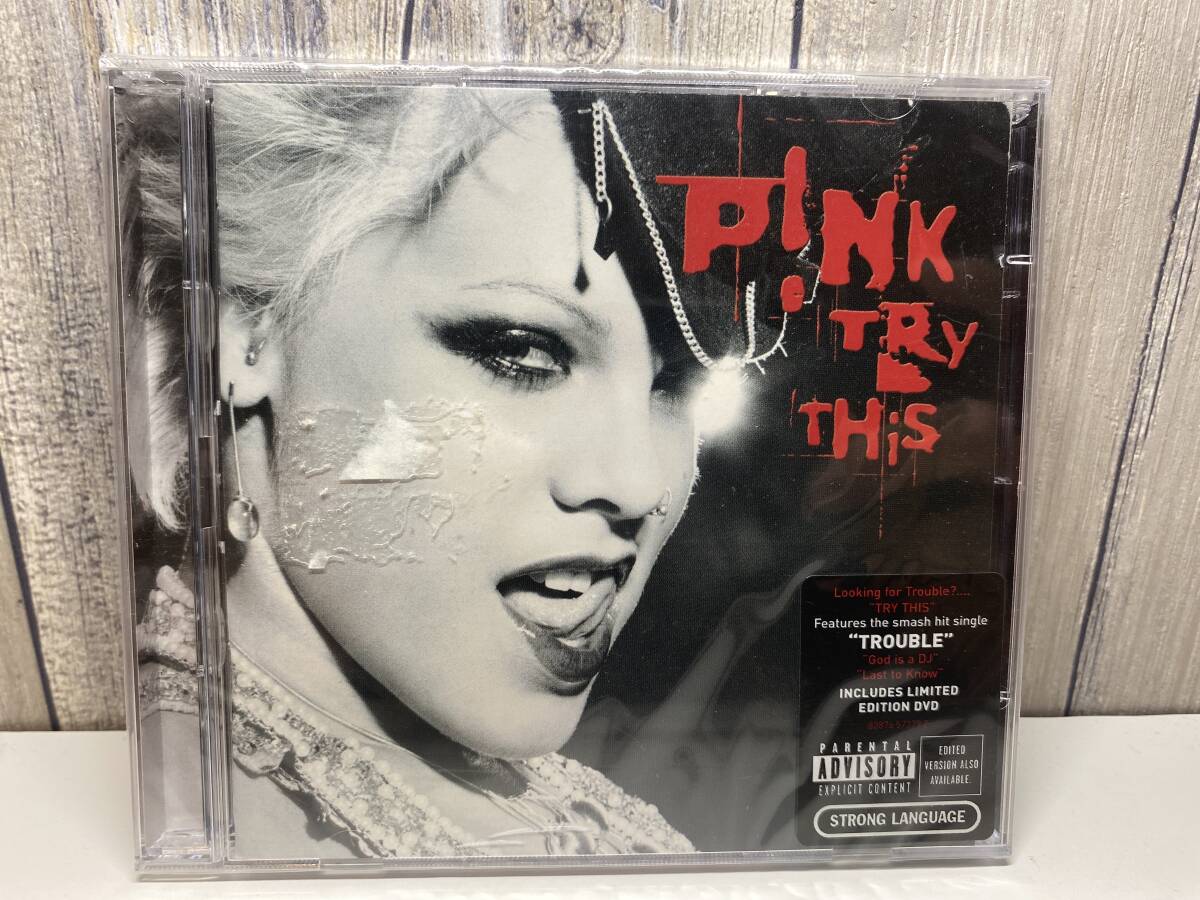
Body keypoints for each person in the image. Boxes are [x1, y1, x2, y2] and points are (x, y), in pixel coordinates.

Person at [130, 82, 712, 858]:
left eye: (674, 386)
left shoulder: (470, 780)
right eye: (523, 353)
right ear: (242, 335)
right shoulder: (224, 833)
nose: (639, 486)